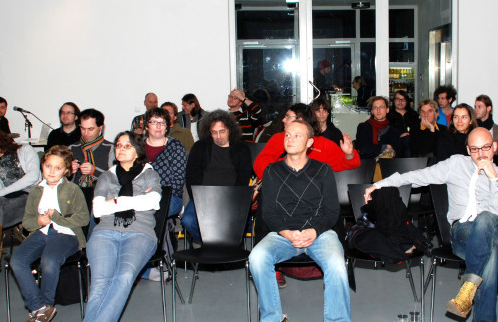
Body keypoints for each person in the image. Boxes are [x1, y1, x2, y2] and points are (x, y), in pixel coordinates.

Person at [364, 128, 498, 322]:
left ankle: (468, 289)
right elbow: (417, 176)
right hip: (463, 232)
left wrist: (493, 177)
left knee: (486, 219)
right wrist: (381, 184)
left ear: (494, 147)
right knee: (489, 255)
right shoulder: (456, 164)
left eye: (485, 148)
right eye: (474, 149)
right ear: (467, 150)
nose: (480, 154)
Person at [249, 119, 361, 322]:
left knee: (336, 262)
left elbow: (332, 211)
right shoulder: (272, 171)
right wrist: (287, 233)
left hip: (320, 233)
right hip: (283, 234)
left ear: (310, 142)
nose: (289, 138)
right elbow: (268, 212)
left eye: (297, 135)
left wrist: (313, 230)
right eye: (287, 134)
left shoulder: (322, 170)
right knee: (256, 257)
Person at [67, 131, 162, 322]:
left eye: (127, 146)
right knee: (100, 282)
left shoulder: (150, 174)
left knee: (125, 276)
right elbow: (98, 211)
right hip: (105, 232)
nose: (120, 149)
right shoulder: (106, 177)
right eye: (118, 145)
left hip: (139, 233)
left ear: (138, 151)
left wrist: (116, 202)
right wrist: (134, 201)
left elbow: (153, 203)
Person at [10, 146, 89, 322]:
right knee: (17, 260)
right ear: (42, 166)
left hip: (67, 235)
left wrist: (59, 219)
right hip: (42, 233)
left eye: (58, 168)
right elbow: (27, 220)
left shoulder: (73, 189)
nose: (52, 171)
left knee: (49, 260)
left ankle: (44, 304)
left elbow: (84, 218)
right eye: (48, 166)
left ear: (66, 171)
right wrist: (38, 221)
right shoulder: (36, 191)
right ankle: (40, 308)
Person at [0, 129, 41, 294]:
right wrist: (0, 195)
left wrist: (3, 192)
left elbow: (33, 176)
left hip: (32, 199)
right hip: (11, 207)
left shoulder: (25, 150)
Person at [182, 110, 252, 243]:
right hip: (202, 198)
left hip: (231, 198)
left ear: (230, 130)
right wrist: (198, 199)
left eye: (222, 131)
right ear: (209, 132)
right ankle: (208, 245)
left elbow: (243, 179)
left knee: (239, 225)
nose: (218, 136)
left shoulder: (242, 149)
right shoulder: (199, 148)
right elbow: (191, 177)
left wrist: (232, 201)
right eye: (214, 132)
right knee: (188, 221)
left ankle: (225, 249)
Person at [253, 104, 360, 180]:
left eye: (287, 117)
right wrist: (282, 178)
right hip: (281, 192)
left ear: (301, 119)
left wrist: (349, 154)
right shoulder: (279, 138)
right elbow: (261, 164)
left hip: (312, 198)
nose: (283, 120)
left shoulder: (322, 144)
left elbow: (350, 164)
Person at [143, 107, 187, 217]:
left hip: (169, 196)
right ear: (147, 126)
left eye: (162, 122)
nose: (158, 126)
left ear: (167, 127)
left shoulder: (176, 147)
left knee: (150, 212)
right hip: (139, 194)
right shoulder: (137, 146)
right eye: (154, 122)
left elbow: (178, 182)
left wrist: (154, 192)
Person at [70, 108, 116, 191]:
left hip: (102, 193)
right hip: (76, 195)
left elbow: (114, 178)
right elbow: (61, 180)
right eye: (82, 128)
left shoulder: (111, 148)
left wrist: (94, 171)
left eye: (91, 129)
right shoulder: (72, 148)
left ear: (100, 127)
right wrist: (68, 171)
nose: (86, 133)